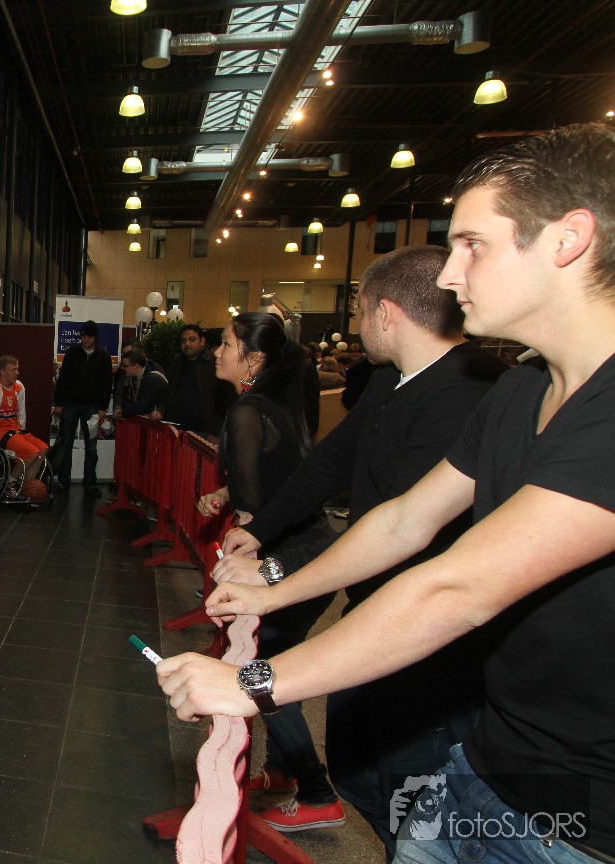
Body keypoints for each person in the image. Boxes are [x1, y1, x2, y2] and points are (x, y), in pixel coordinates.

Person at [160, 123, 615, 864]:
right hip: (493, 762)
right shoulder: (521, 389)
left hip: (583, 821)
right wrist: (275, 591)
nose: (449, 275)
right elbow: (403, 520)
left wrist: (253, 682)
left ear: (568, 240)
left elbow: (458, 587)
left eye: (472, 245)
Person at [215, 245, 508, 855]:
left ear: (386, 313)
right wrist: (262, 530)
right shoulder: (387, 381)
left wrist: (274, 577)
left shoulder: (468, 391)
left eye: (359, 309)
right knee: (357, 774)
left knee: (419, 809)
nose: (354, 323)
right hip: (373, 613)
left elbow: (402, 526)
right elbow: (329, 465)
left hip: (431, 635)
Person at [195, 311, 342, 832]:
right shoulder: (274, 405)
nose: (217, 351)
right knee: (272, 663)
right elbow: (278, 481)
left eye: (226, 343)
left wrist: (242, 533)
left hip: (289, 562)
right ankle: (281, 771)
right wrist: (226, 493)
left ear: (253, 358)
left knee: (260, 675)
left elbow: (257, 505)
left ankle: (318, 791)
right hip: (310, 550)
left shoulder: (246, 411)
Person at [0, 354, 49, 494]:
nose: (17, 373)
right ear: (2, 372)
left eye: (17, 369)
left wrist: (22, 432)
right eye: (13, 370)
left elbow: (21, 414)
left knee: (43, 448)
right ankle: (10, 481)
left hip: (16, 430)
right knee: (32, 452)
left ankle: (26, 488)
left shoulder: (19, 387)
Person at [53, 319, 113, 496]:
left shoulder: (104, 356)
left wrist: (102, 407)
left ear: (95, 337)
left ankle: (90, 484)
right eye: (83, 336)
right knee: (66, 444)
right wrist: (58, 403)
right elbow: (63, 379)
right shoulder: (71, 352)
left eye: (89, 337)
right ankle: (63, 482)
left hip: (92, 406)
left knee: (92, 447)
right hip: (70, 403)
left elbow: (106, 384)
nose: (86, 340)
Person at [151, 324, 235, 439]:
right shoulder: (177, 365)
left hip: (204, 433)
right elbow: (168, 394)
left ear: (202, 341)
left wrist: (215, 432)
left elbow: (226, 401)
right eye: (183, 341)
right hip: (177, 430)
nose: (187, 344)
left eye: (192, 339)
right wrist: (160, 411)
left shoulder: (215, 365)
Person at [115, 349, 168, 418]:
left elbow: (143, 406)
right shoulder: (134, 377)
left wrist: (122, 412)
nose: (122, 368)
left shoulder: (153, 379)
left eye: (125, 366)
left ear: (136, 366)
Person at [340, 341, 377, 410]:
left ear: (361, 354)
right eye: (353, 356)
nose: (355, 358)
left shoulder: (366, 364)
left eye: (357, 356)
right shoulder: (347, 362)